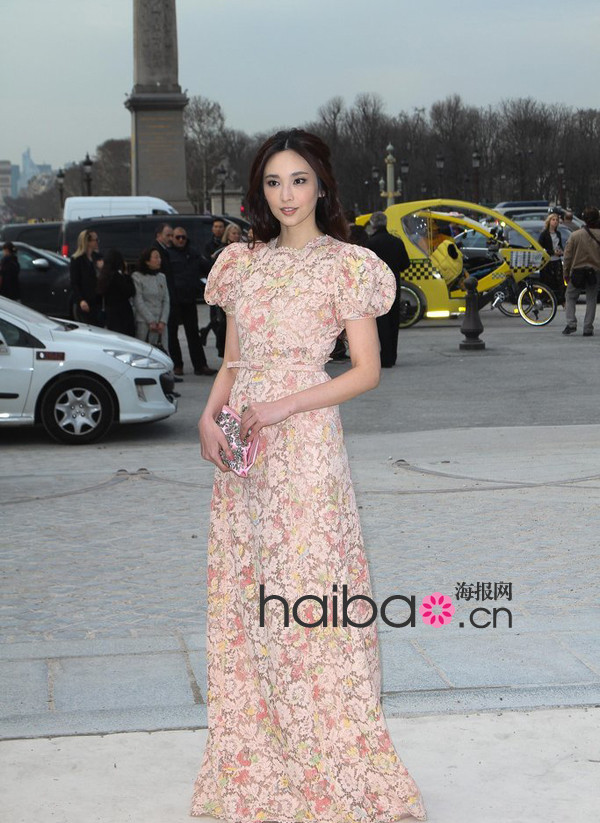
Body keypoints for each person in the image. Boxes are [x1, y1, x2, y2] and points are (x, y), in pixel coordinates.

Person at [192, 129, 427, 821]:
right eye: (273, 181)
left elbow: (365, 368)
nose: (286, 195)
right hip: (243, 445)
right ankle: (260, 752)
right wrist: (209, 418)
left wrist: (284, 404)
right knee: (248, 591)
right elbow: (232, 359)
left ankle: (328, 751)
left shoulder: (346, 266)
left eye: (298, 180)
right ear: (258, 189)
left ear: (321, 185)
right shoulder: (241, 262)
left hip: (305, 446)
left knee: (308, 590)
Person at [167, 227, 217, 376]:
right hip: (174, 300)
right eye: (178, 237)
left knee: (193, 334)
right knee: (172, 334)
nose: (181, 240)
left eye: (183, 237)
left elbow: (207, 267)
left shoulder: (193, 253)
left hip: (189, 299)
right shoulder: (168, 254)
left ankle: (200, 365)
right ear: (172, 239)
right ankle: (177, 365)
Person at [367, 211, 411, 367]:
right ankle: (392, 356)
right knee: (393, 321)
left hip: (376, 288)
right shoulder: (396, 242)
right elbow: (406, 264)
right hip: (394, 285)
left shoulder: (370, 244)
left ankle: (383, 357)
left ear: (373, 224)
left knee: (381, 322)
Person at [200, 223, 242, 356]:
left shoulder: (243, 249)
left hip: (238, 290)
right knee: (221, 323)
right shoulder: (221, 250)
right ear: (228, 234)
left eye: (238, 233)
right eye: (233, 233)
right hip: (224, 291)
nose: (236, 236)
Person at [562, 206, 600, 336]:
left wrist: (566, 274)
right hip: (595, 271)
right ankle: (588, 327)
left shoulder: (575, 235)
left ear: (584, 219)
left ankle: (571, 323)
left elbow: (567, 257)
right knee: (591, 298)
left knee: (570, 296)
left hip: (577, 271)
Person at [131, 248, 170, 348]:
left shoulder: (161, 277)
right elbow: (138, 300)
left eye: (159, 257)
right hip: (145, 321)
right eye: (156, 257)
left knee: (162, 349)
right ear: (147, 261)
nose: (159, 260)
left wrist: (163, 320)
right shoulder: (137, 277)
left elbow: (166, 300)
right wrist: (150, 320)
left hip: (160, 322)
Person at [199, 218, 227, 351]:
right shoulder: (209, 245)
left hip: (226, 286)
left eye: (221, 226)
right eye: (216, 226)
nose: (218, 229)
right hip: (215, 286)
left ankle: (207, 330)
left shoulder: (227, 245)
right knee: (216, 317)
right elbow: (206, 265)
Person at [96, 249, 136, 337]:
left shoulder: (104, 277)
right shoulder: (118, 277)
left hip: (110, 312)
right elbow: (130, 291)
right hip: (122, 313)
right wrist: (126, 274)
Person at [70, 229, 104, 325]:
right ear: (88, 242)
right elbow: (74, 282)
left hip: (98, 299)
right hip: (86, 299)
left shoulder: (98, 257)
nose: (97, 242)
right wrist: (81, 300)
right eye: (95, 240)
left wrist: (102, 269)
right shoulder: (77, 259)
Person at [538, 212, 565, 305]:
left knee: (559, 280)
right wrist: (552, 252)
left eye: (557, 220)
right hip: (547, 261)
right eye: (553, 220)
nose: (555, 222)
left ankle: (561, 300)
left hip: (557, 260)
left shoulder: (558, 233)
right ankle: (546, 300)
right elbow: (540, 248)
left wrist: (561, 251)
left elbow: (559, 245)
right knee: (547, 281)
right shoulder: (544, 234)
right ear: (549, 221)